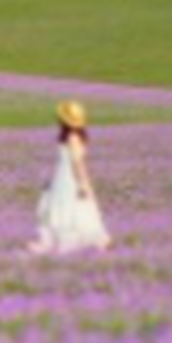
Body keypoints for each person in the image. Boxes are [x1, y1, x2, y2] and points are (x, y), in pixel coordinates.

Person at [29, 101, 112, 255]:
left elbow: (74, 163)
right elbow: (74, 163)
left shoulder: (69, 138)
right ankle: (93, 243)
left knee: (68, 208)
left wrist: (80, 184)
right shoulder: (72, 137)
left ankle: (72, 243)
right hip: (66, 178)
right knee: (77, 208)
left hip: (66, 178)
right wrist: (81, 184)